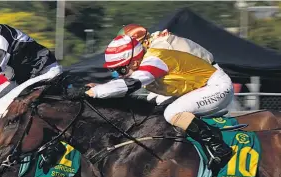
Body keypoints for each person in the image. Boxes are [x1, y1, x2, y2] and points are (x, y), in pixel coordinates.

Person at [85, 35, 234, 169]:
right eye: (114, 71)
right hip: (200, 88)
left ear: (135, 62)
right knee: (156, 111)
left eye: (120, 70)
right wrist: (101, 87)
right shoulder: (144, 63)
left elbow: (131, 84)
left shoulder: (155, 60)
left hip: (217, 87)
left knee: (172, 112)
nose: (118, 74)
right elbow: (126, 81)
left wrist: (96, 92)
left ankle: (218, 146)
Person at [116, 24, 219, 106]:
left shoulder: (159, 47)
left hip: (208, 80)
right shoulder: (154, 42)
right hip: (202, 76)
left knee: (160, 100)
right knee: (153, 97)